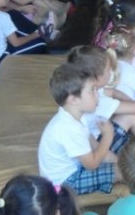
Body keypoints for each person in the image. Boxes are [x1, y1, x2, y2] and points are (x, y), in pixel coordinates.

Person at [38, 63, 120, 194]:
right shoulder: (68, 128)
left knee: (123, 166)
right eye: (92, 90)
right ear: (73, 100)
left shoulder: (76, 117)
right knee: (122, 172)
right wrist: (108, 137)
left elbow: (95, 146)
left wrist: (119, 161)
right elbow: (92, 164)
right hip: (64, 184)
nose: (98, 95)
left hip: (75, 169)